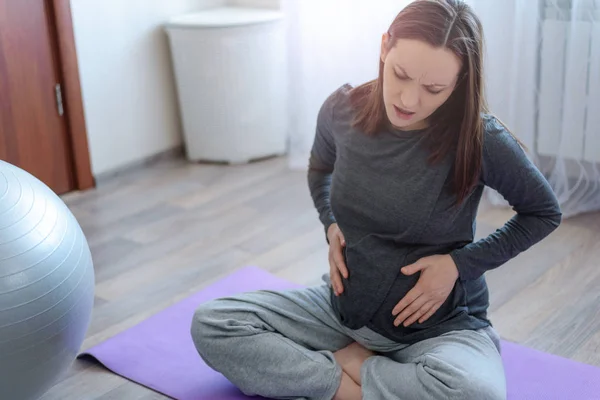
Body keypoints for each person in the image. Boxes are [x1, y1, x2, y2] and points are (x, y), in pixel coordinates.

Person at [190, 0, 562, 399]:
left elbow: (543, 212)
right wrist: (330, 222)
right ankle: (343, 387)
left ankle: (355, 363)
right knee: (213, 323)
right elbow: (320, 169)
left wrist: (458, 264)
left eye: (434, 89)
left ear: (459, 82)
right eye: (400, 75)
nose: (409, 100)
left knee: (475, 394)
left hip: (438, 330)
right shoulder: (342, 110)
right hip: (342, 311)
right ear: (385, 46)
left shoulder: (479, 137)